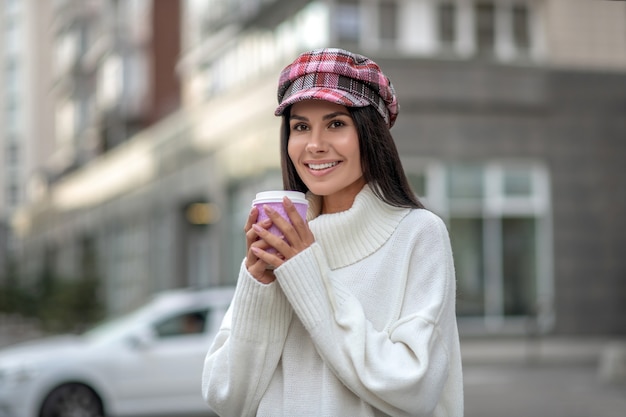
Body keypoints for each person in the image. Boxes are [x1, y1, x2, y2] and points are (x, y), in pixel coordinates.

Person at [202, 48, 463, 417]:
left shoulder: (418, 234)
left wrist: (306, 271)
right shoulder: (283, 240)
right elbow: (226, 397)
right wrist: (257, 287)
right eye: (301, 126)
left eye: (336, 123)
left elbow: (414, 385)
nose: (314, 144)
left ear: (370, 133)